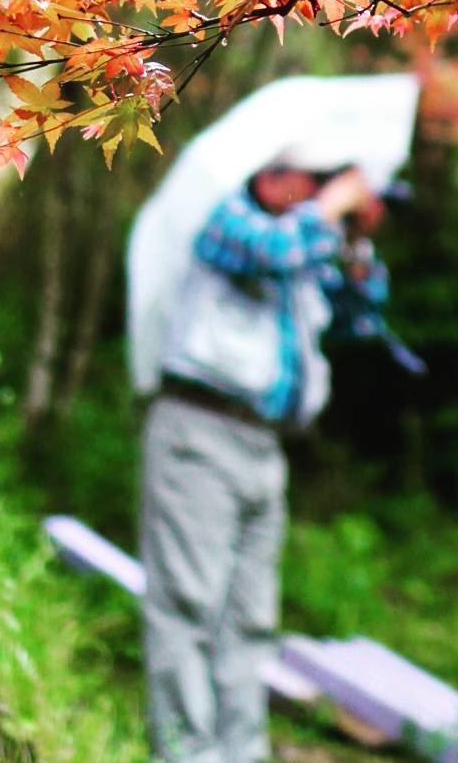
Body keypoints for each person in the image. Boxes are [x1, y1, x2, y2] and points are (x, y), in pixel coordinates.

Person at [139, 156, 398, 763]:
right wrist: (329, 209)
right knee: (186, 608)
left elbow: (362, 319)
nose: (317, 190)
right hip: (198, 433)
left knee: (250, 621)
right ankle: (186, 755)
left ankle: (241, 753)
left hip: (264, 446)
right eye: (310, 177)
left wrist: (355, 243)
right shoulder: (228, 218)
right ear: (271, 175)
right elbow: (266, 251)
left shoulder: (302, 247)